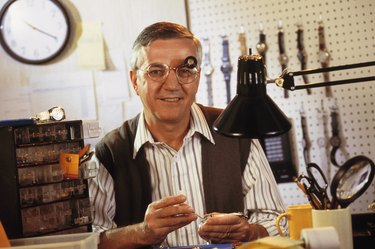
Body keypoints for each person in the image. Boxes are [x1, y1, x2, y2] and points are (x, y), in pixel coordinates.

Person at [88, 21, 287, 249]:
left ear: (198, 77)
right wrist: (142, 233)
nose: (172, 84)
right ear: (135, 81)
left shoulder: (236, 133)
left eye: (185, 70)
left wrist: (249, 231)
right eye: (156, 71)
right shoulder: (110, 152)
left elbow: (278, 221)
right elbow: (89, 241)